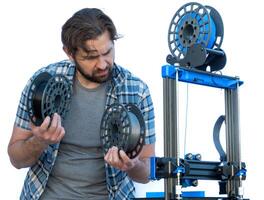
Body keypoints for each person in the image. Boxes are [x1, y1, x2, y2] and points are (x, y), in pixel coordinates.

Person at [8, 8, 156, 200]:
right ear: (70, 53)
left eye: (107, 52)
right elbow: (16, 159)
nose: (103, 64)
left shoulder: (137, 91)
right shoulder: (43, 83)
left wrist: (132, 165)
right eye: (91, 57)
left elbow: (147, 173)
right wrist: (41, 140)